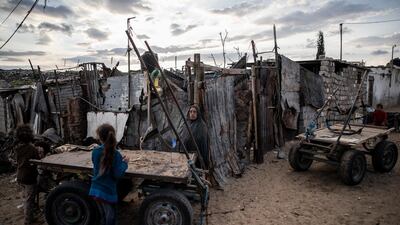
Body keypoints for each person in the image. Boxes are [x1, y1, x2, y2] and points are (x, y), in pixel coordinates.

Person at [89, 124, 129, 225]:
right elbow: (117, 174)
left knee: (102, 215)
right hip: (107, 192)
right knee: (110, 217)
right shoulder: (116, 155)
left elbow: (98, 164)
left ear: (99, 137)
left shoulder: (95, 152)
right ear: (113, 136)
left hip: (95, 190)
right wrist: (124, 163)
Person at [14, 124, 42, 224]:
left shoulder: (17, 148)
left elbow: (16, 161)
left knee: (25, 197)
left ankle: (29, 216)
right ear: (30, 136)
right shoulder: (32, 148)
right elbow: (38, 161)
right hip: (29, 177)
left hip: (20, 176)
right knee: (29, 200)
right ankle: (28, 220)